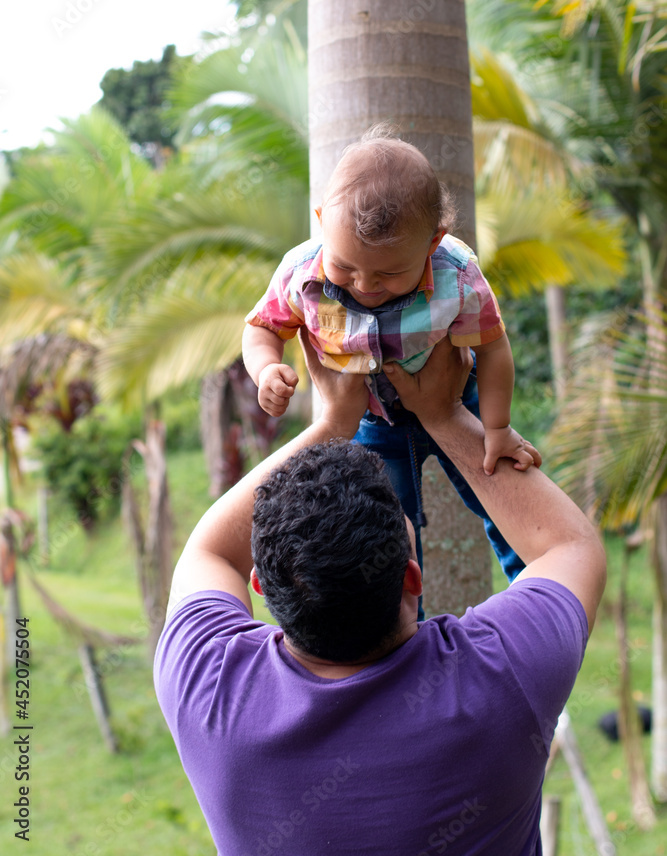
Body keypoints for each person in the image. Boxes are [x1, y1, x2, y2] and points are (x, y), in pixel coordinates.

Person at [154, 332, 606, 856]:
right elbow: (570, 547)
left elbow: (211, 553)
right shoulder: (502, 677)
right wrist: (445, 416)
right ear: (413, 578)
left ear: (261, 586)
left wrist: (330, 424)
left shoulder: (206, 694)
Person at [242, 127, 540, 600]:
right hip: (372, 422)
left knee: (498, 494)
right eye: (347, 267)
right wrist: (265, 369)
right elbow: (261, 327)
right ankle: (403, 626)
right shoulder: (301, 272)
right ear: (321, 223)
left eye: (388, 273)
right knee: (387, 528)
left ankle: (533, 587)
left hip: (455, 401)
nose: (364, 284)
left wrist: (498, 428)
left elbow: (492, 348)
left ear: (433, 242)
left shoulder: (457, 275)